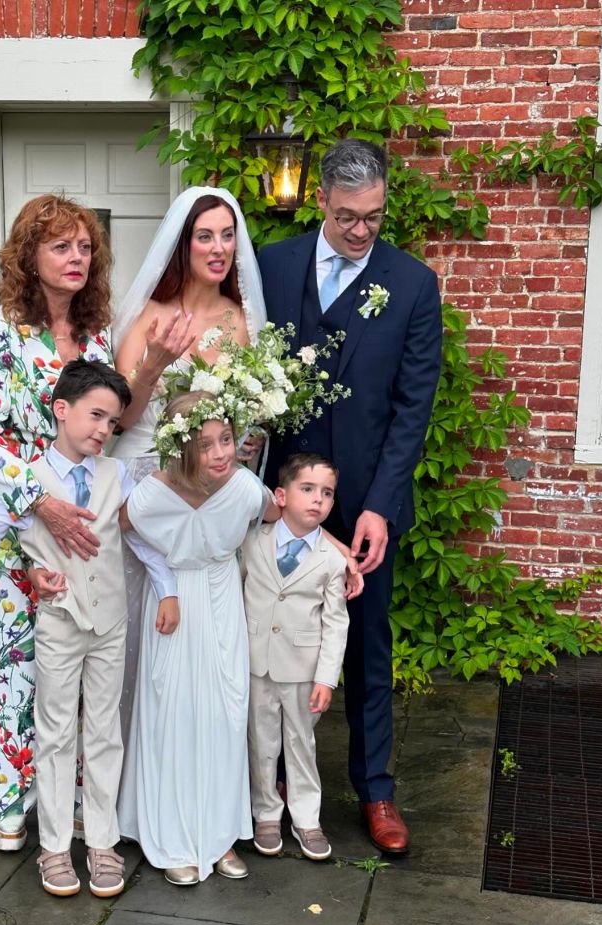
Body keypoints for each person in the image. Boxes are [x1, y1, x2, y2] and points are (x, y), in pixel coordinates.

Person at [257, 139, 443, 855]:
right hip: (279, 496)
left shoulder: (412, 284)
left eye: (372, 216)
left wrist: (379, 504)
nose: (362, 230)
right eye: (347, 217)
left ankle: (375, 790)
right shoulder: (272, 267)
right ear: (320, 202)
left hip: (365, 499)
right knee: (270, 638)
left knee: (366, 644)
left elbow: (411, 405)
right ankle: (265, 783)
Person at [0, 361, 179, 899]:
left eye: (112, 421)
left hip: (110, 623)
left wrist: (167, 585)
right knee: (55, 733)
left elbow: (137, 535)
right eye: (96, 415)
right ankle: (54, 848)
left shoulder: (116, 475)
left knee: (105, 730)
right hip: (58, 622)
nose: (104, 430)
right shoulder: (28, 480)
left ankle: (101, 841)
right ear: (61, 409)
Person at [0, 195, 113, 852]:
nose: (75, 257)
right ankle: (8, 798)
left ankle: (70, 794)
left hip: (77, 532)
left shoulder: (98, 337)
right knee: (12, 666)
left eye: (83, 246)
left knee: (75, 669)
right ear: (29, 256)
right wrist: (36, 496)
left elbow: (109, 425)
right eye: (60, 246)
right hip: (15, 532)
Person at [109, 186, 268, 737]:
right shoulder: (147, 315)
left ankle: (182, 755)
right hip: (145, 479)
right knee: (136, 623)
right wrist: (155, 361)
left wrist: (249, 442)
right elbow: (121, 420)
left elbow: (246, 414)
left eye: (228, 235)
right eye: (206, 235)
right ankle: (119, 763)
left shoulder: (240, 322)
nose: (219, 247)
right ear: (184, 244)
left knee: (196, 632)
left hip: (209, 492)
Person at [117, 391, 280, 885]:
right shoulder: (152, 493)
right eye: (206, 444)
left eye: (226, 439)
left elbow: (281, 514)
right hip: (175, 604)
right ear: (182, 449)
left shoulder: (247, 489)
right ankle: (171, 838)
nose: (220, 453)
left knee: (224, 713)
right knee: (173, 711)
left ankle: (222, 834)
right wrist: (164, 584)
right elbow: (125, 527)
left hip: (223, 598)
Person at [241, 453, 351, 862]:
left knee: (301, 745)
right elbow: (236, 592)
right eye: (308, 489)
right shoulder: (253, 541)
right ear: (282, 496)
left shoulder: (331, 559)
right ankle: (266, 813)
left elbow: (336, 623)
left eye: (327, 494)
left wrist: (326, 678)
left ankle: (307, 819)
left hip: (303, 670)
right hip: (255, 662)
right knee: (261, 742)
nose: (318, 500)